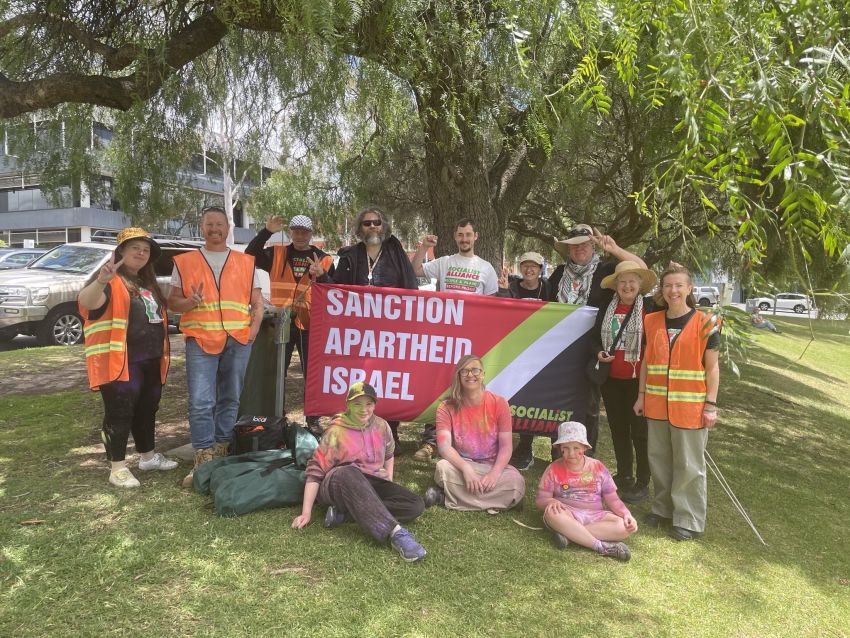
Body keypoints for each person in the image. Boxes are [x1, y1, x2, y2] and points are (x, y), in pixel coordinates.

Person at [510, 224, 648, 470]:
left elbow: (641, 269)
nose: (579, 249)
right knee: (545, 399)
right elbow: (543, 302)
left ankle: (586, 459)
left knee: (588, 406)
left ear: (592, 246)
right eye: (574, 245)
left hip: (591, 349)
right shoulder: (560, 272)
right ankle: (532, 448)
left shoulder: (606, 271)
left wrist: (614, 249)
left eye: (584, 244)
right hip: (557, 349)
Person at [169, 206, 264, 487]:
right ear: (202, 228)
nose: (214, 229)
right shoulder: (184, 262)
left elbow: (257, 302)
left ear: (228, 228)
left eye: (219, 224)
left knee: (230, 398)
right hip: (200, 339)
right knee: (201, 402)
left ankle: (221, 451)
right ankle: (203, 458)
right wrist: (190, 302)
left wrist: (253, 331)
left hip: (238, 339)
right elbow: (172, 302)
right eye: (209, 224)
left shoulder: (246, 262)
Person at [309, 206, 419, 445]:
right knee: (360, 380)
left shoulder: (395, 250)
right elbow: (337, 290)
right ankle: (357, 429)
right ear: (360, 228)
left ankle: (390, 435)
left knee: (388, 381)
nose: (372, 227)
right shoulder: (350, 255)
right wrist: (321, 276)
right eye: (367, 223)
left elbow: (411, 287)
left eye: (376, 222)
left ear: (384, 226)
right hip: (358, 334)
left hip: (390, 334)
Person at [78, 227, 177, 488]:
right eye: (135, 248)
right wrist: (100, 280)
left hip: (152, 360)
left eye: (145, 250)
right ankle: (118, 468)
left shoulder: (148, 284)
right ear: (121, 251)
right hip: (121, 362)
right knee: (120, 413)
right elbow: (87, 303)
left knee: (147, 409)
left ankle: (147, 457)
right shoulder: (111, 281)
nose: (141, 253)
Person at [291, 382, 427, 562]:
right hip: (337, 483)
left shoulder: (382, 425)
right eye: (357, 404)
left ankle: (344, 515)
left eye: (369, 404)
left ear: (375, 405)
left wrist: (389, 481)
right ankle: (396, 534)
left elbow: (389, 454)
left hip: (369, 482)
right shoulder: (336, 431)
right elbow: (315, 472)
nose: (364, 409)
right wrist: (306, 512)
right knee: (349, 472)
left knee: (415, 504)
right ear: (348, 405)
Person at [634, 262, 720, 541]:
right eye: (668, 285)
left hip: (690, 407)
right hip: (657, 405)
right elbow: (647, 362)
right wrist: (641, 396)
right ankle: (663, 510)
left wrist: (711, 404)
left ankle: (688, 518)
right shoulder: (652, 321)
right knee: (659, 460)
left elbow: (712, 368)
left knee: (689, 465)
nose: (673, 291)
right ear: (663, 289)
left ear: (689, 288)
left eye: (679, 285)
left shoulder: (706, 323)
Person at [410, 219, 499, 460]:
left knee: (470, 388)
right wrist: (422, 249)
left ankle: (463, 441)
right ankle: (430, 442)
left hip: (472, 342)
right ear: (455, 236)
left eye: (468, 235)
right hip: (445, 339)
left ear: (476, 236)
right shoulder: (445, 262)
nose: (464, 239)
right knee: (439, 388)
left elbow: (492, 306)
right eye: (460, 235)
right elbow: (415, 271)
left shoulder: (486, 268)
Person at [245, 214, 334, 428]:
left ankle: (312, 421)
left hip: (310, 323)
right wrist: (266, 231)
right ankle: (276, 417)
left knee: (312, 374)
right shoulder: (276, 253)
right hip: (281, 321)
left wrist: (321, 275)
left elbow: (334, 290)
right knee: (276, 372)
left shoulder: (324, 258)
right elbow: (249, 255)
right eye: (296, 231)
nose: (300, 235)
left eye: (305, 232)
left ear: (311, 233)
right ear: (290, 232)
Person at [590, 261, 657, 502]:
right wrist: (598, 351)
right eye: (622, 281)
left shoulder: (650, 307)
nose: (627, 286)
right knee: (619, 429)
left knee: (640, 431)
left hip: (639, 380)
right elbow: (594, 337)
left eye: (632, 281)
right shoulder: (607, 305)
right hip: (612, 379)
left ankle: (642, 480)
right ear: (616, 285)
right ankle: (625, 474)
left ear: (640, 285)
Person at [423, 355, 526, 511]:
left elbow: (506, 447)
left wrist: (494, 474)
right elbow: (444, 448)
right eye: (464, 371)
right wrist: (466, 469)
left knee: (516, 482)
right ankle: (501, 500)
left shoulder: (499, 403)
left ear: (483, 374)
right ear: (459, 376)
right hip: (462, 466)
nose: (470, 375)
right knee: (442, 468)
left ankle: (445, 498)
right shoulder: (446, 407)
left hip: (491, 467)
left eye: (475, 370)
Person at [536, 421, 637, 561]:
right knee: (551, 514)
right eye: (566, 448)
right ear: (560, 448)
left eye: (576, 448)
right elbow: (541, 500)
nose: (571, 453)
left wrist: (626, 514)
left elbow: (613, 499)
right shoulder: (553, 469)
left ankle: (570, 536)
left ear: (584, 447)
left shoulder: (598, 467)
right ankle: (600, 546)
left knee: (624, 527)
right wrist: (550, 501)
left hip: (595, 516)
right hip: (567, 514)